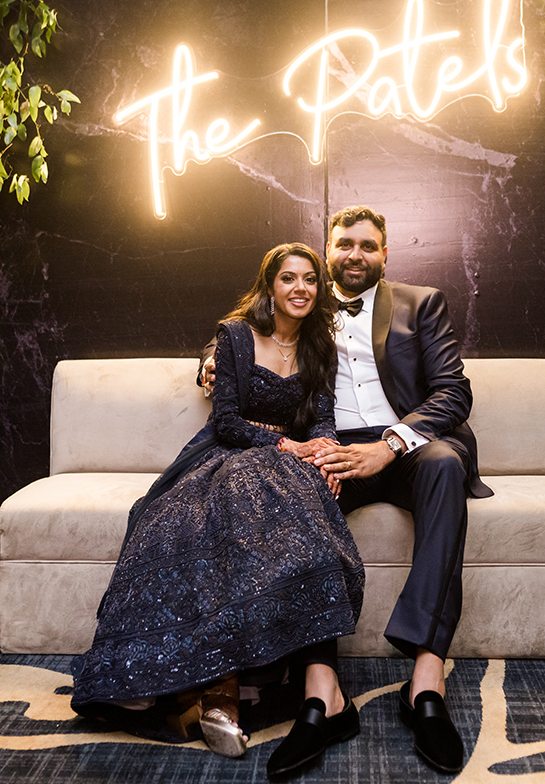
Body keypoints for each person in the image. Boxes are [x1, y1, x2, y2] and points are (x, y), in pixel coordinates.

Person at [199, 207, 492, 776]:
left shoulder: (420, 303)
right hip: (329, 442)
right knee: (293, 488)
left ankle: (426, 682)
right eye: (343, 244)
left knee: (444, 465)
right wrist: (208, 361)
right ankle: (322, 691)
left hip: (407, 444)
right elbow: (243, 337)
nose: (355, 254)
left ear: (385, 254)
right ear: (326, 250)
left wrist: (389, 444)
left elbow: (454, 393)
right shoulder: (303, 303)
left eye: (368, 246)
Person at [70, 243, 365, 779]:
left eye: (310, 281)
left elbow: (322, 420)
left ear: (319, 291)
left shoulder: (322, 346)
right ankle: (207, 685)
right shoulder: (234, 336)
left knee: (303, 528)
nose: (300, 288)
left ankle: (266, 684)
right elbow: (227, 421)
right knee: (188, 519)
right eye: (288, 279)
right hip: (227, 454)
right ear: (270, 286)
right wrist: (285, 447)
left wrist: (323, 454)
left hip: (289, 464)